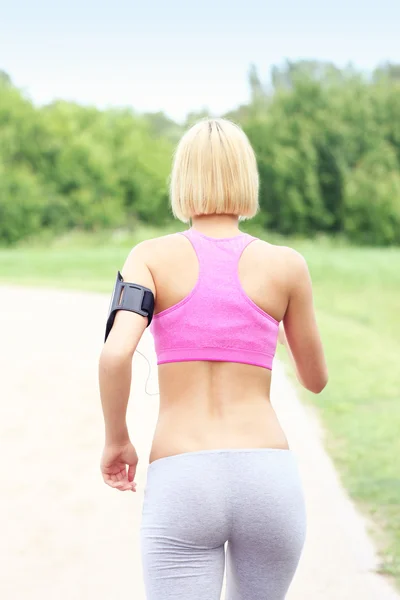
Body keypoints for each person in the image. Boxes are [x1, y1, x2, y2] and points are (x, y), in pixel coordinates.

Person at [98, 118, 328, 600]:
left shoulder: (149, 257)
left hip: (183, 479)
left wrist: (118, 440)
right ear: (248, 177)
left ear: (182, 179)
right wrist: (271, 331)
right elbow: (315, 379)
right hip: (269, 477)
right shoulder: (287, 265)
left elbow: (116, 353)